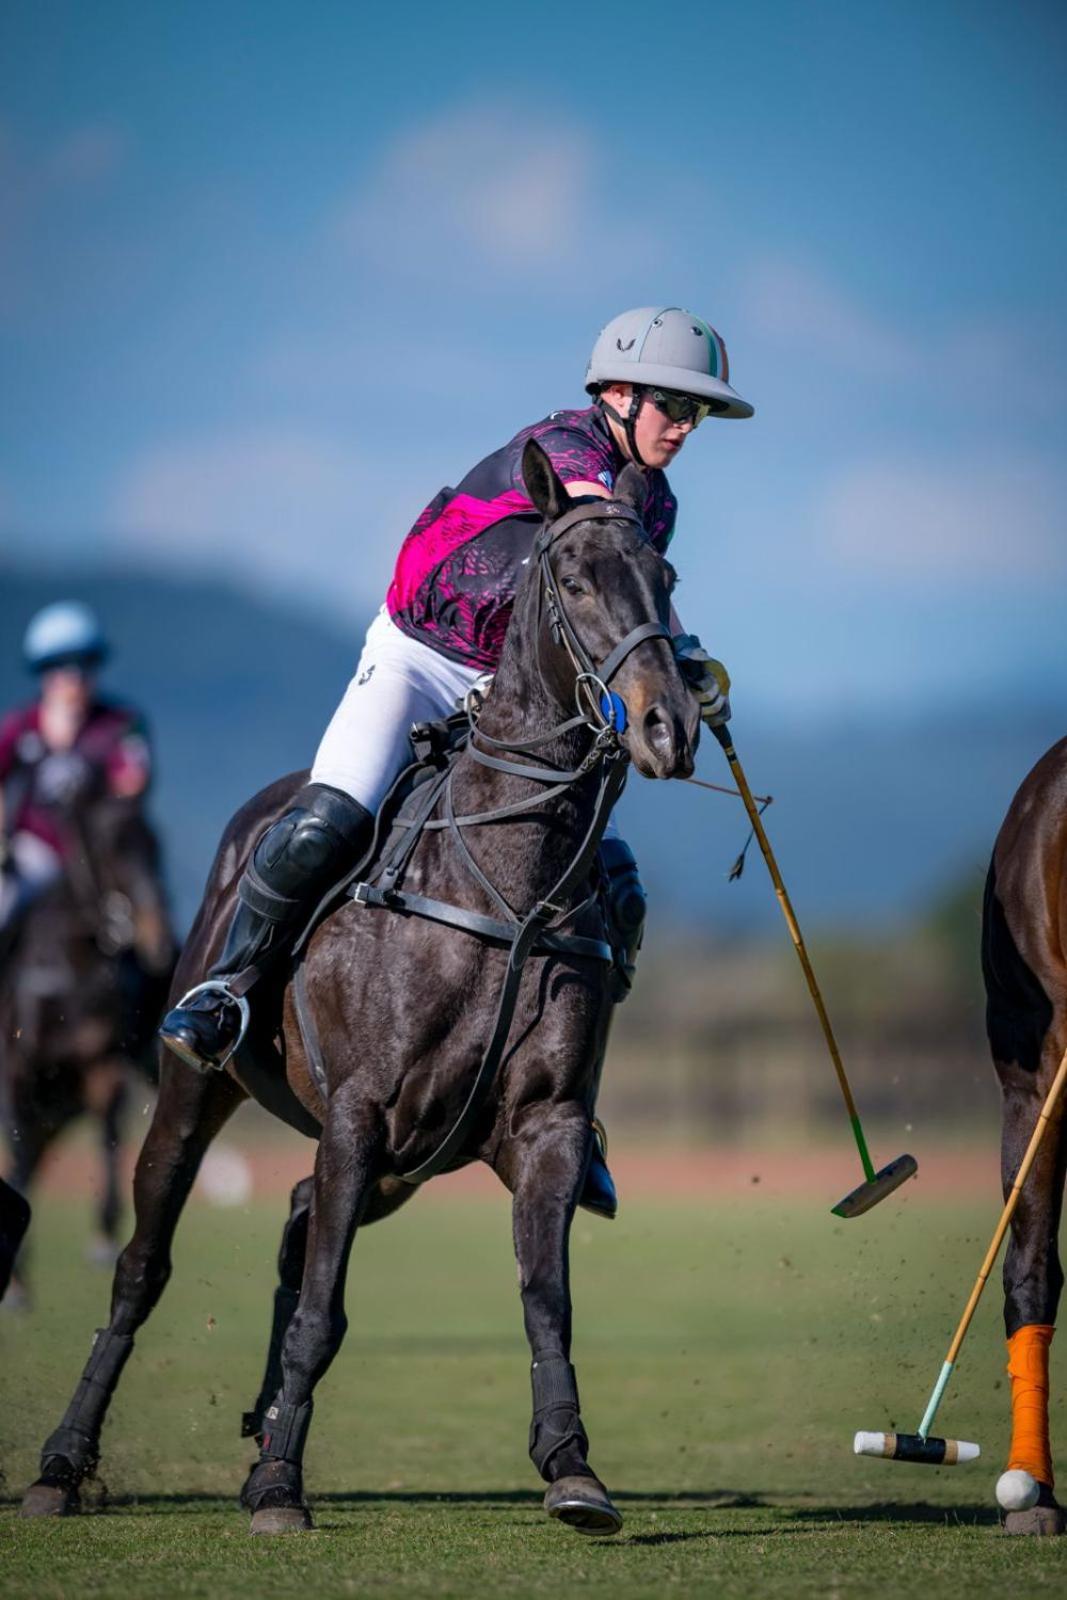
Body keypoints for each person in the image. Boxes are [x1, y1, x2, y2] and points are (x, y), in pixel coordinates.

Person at [160, 306, 755, 1215]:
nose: (683, 425)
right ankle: (228, 991)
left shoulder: (654, 502)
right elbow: (590, 554)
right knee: (330, 815)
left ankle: (567, 1113)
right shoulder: (569, 452)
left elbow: (620, 611)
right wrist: (670, 655)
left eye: (696, 412)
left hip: (514, 694)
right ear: (617, 391)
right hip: (421, 658)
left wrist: (681, 669)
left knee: (614, 891)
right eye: (671, 403)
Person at [0, 602, 152, 949]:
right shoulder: (20, 727)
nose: (74, 678)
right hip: (34, 851)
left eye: (83, 666)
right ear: (44, 673)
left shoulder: (120, 725)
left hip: (104, 855)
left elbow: (132, 782)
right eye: (61, 667)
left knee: (149, 926)